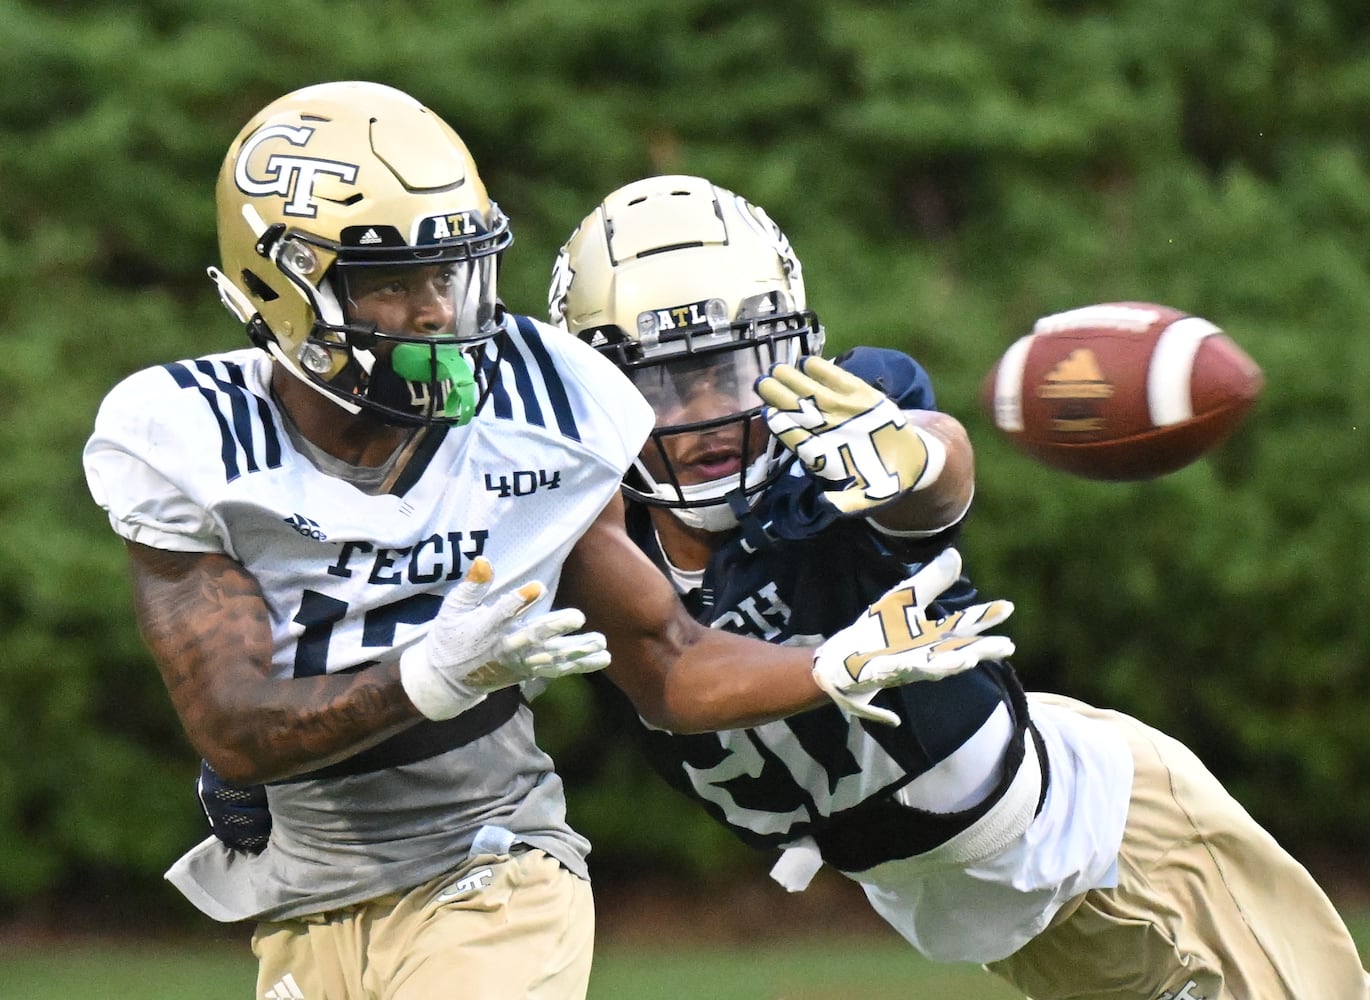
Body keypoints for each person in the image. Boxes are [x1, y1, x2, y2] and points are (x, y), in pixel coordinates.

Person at [81, 84, 1014, 1000]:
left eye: (448, 273)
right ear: (275, 286)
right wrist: (426, 676)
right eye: (392, 281)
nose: (437, 312)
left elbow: (667, 658)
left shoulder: (547, 403)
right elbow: (234, 725)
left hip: (490, 863)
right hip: (310, 893)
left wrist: (825, 666)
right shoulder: (184, 436)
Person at [542, 175, 1367, 999]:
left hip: (1113, 832)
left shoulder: (830, 441)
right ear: (595, 394)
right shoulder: (591, 545)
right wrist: (828, 667)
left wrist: (915, 457)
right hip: (996, 911)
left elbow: (932, 473)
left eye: (732, 367)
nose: (708, 410)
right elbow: (674, 674)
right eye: (661, 382)